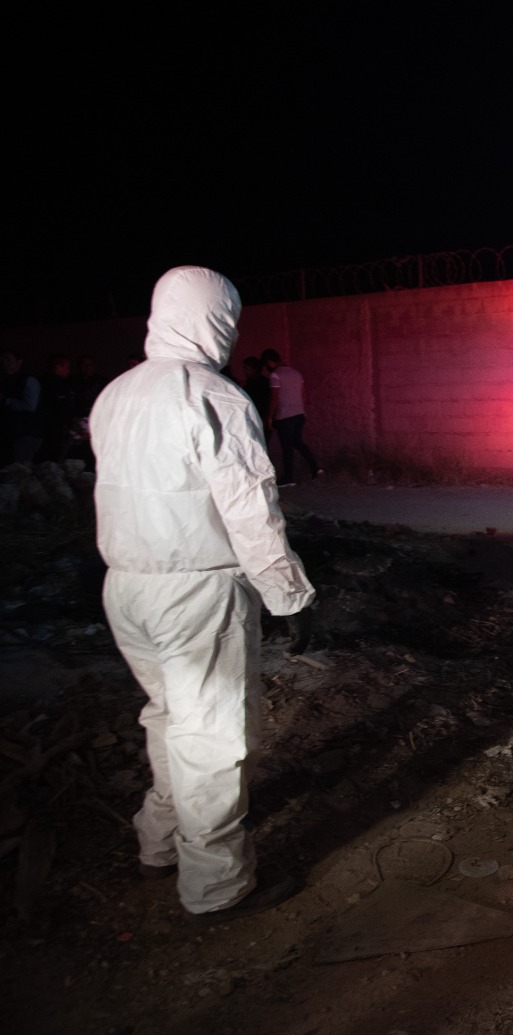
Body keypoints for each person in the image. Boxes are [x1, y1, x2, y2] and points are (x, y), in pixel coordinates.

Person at [91, 266, 315, 923]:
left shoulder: (116, 393)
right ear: (216, 317)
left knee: (167, 717)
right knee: (212, 735)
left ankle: (158, 840)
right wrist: (291, 596)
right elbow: (250, 509)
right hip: (194, 591)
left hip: (125, 588)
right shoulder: (211, 396)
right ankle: (215, 886)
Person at [263, 348, 322, 486]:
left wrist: (270, 417)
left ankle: (289, 478)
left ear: (270, 362)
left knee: (287, 447)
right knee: (298, 442)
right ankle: (315, 468)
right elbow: (304, 395)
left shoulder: (275, 376)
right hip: (299, 414)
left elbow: (274, 398)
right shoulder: (296, 373)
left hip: (284, 416)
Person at [3, 350, 44, 462]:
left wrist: (7, 401)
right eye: (3, 361)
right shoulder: (7, 381)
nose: (5, 364)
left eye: (9, 361)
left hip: (27, 433)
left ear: (19, 362)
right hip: (13, 433)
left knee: (20, 468)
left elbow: (30, 406)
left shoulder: (28, 381)